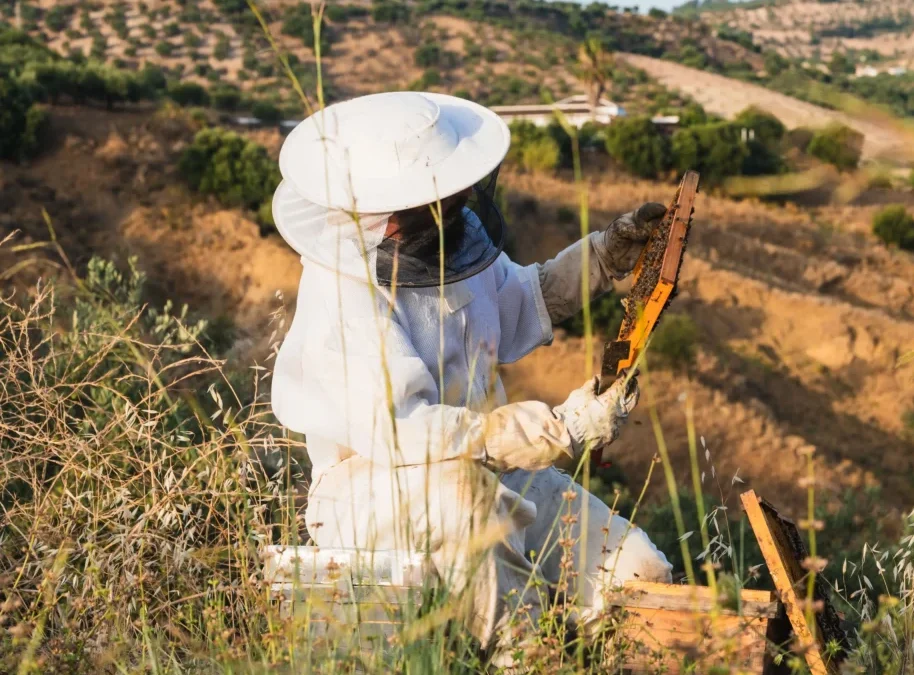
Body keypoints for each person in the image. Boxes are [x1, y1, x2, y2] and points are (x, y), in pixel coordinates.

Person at [269, 91, 673, 656]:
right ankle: (529, 660)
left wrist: (603, 257)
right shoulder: (342, 291)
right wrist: (560, 429)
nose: (458, 203)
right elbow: (404, 430)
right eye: (440, 198)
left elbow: (524, 297)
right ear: (390, 209)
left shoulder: (449, 244)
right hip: (372, 486)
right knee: (466, 503)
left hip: (490, 467)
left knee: (640, 576)